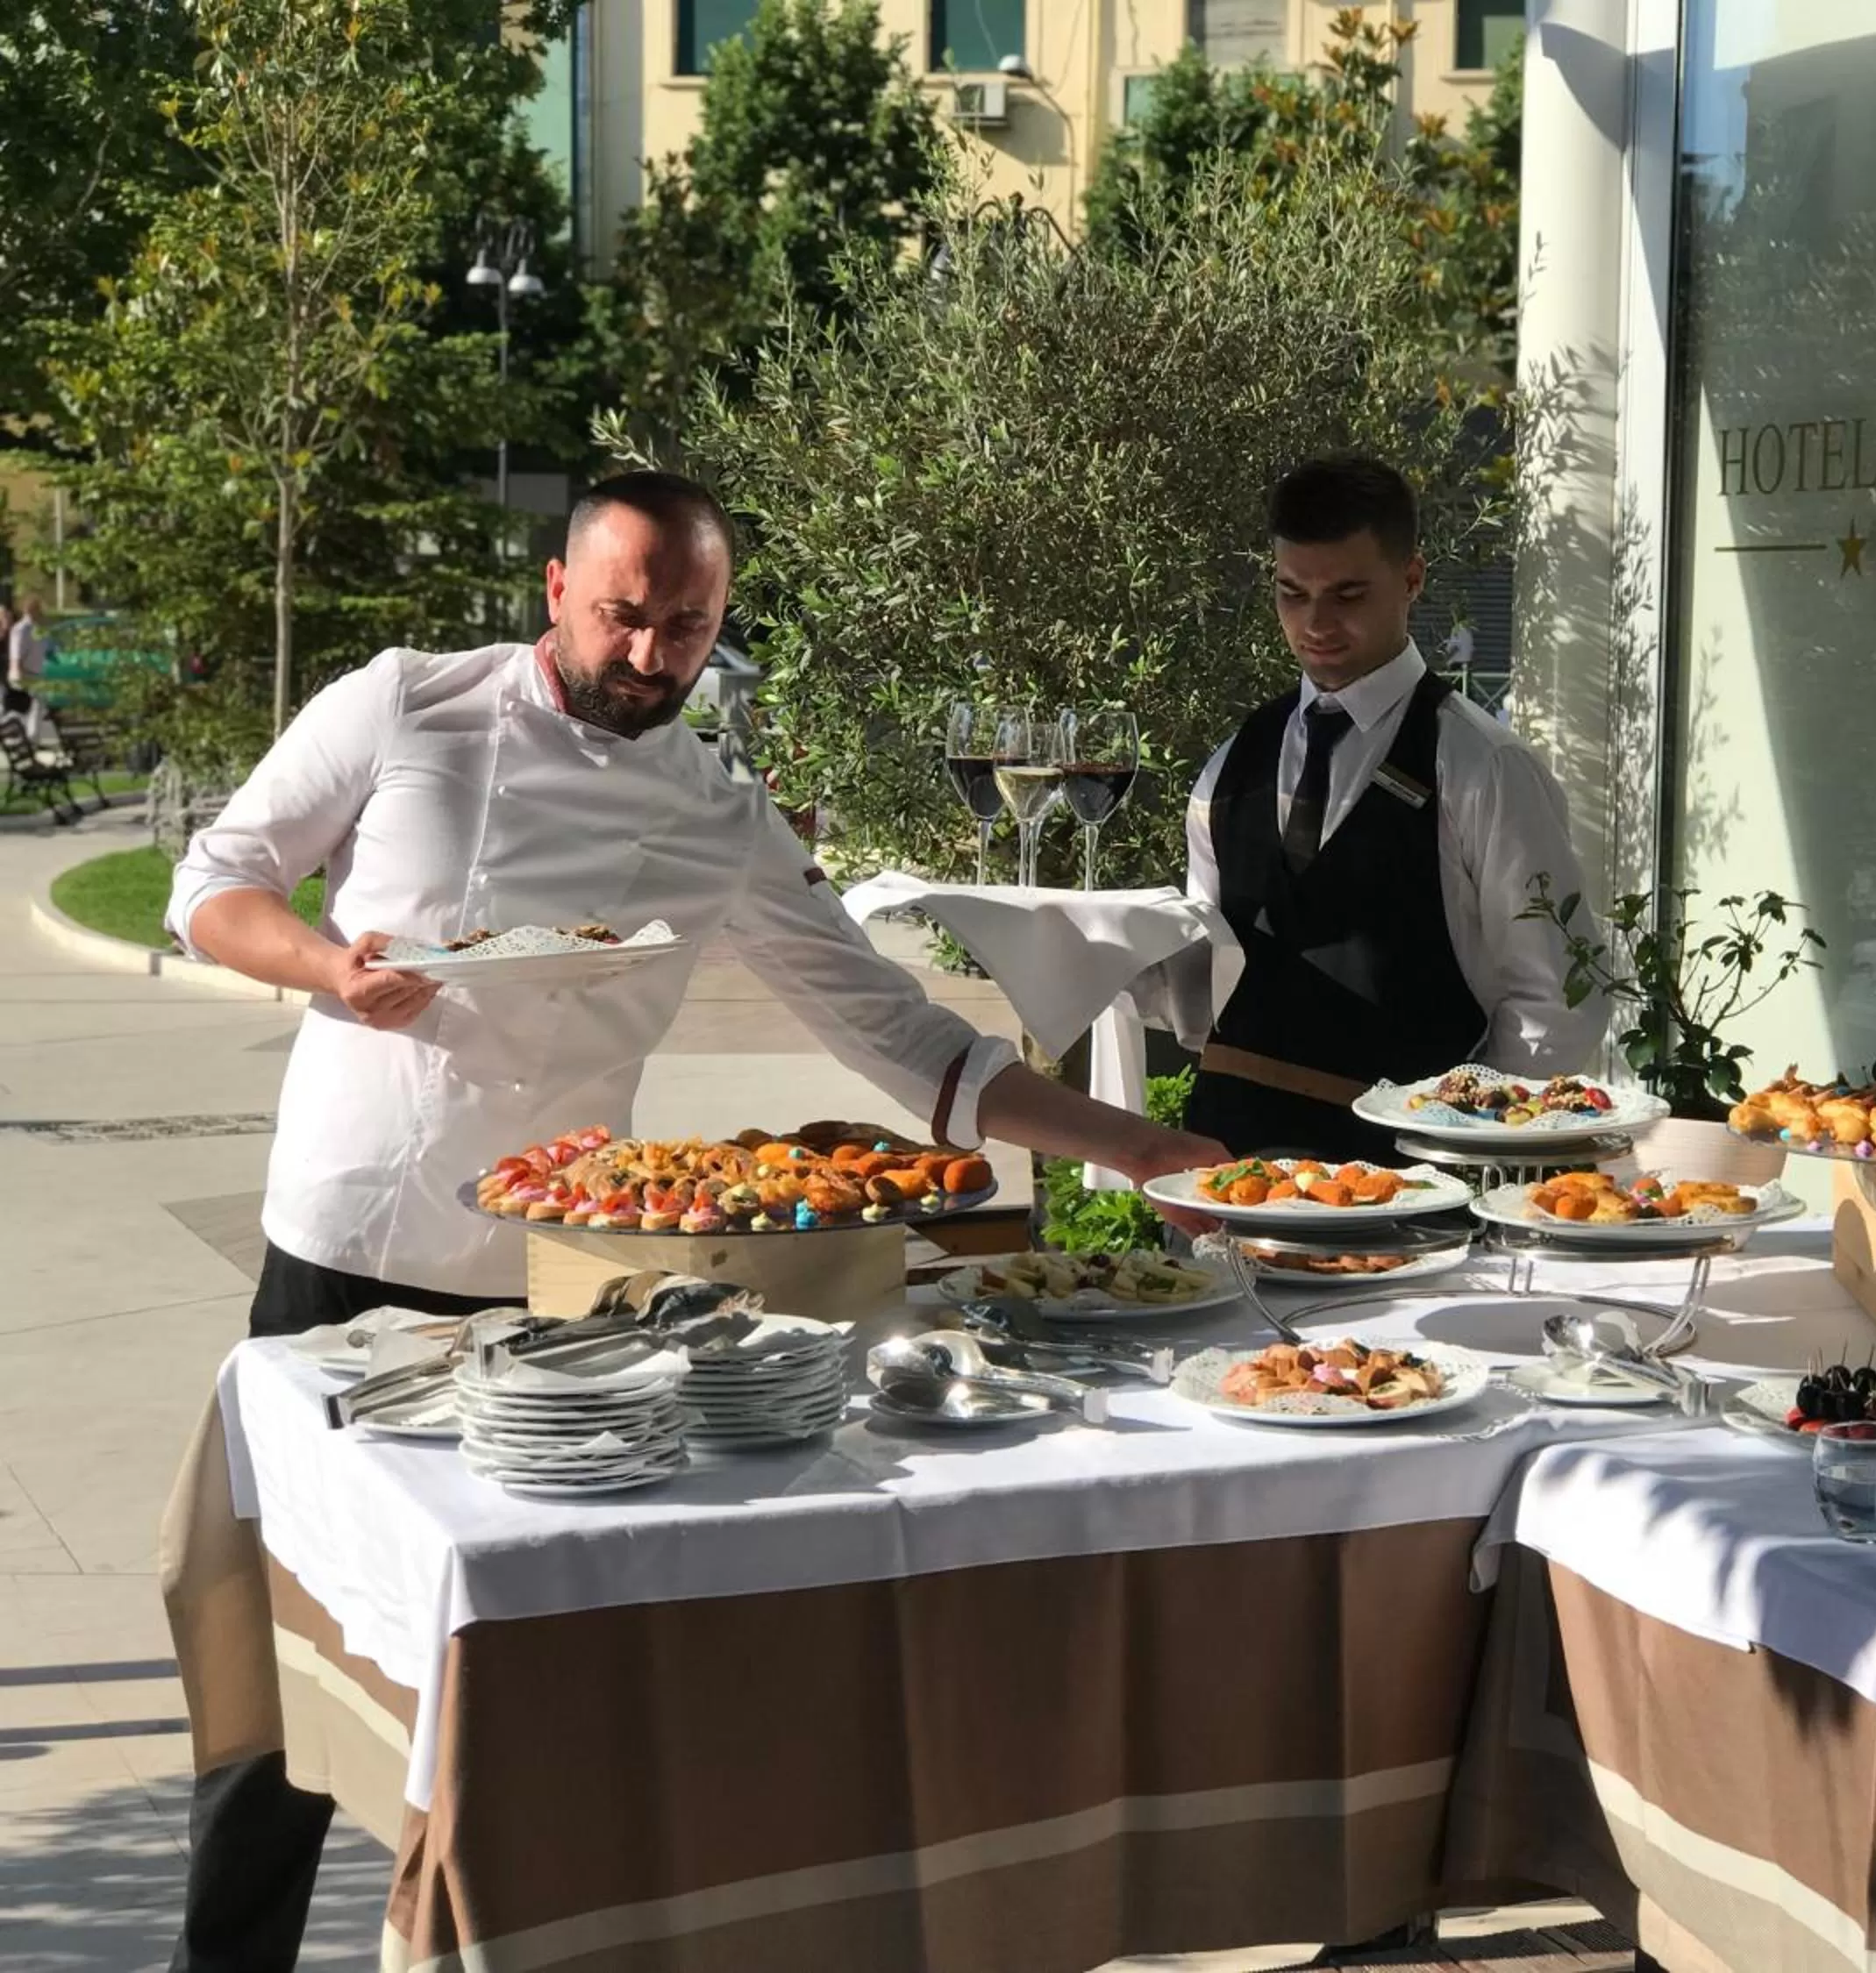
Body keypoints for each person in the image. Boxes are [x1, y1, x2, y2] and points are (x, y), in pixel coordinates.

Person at [163, 471, 1227, 1973]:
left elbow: (903, 1038)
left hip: (567, 1279)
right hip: (350, 1238)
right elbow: (215, 882)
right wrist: (332, 971)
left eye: (689, 627)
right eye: (624, 617)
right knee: (288, 1675)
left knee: (539, 1676)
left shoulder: (717, 814)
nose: (652, 657)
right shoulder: (408, 704)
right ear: (554, 591)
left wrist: (1150, 1149)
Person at [1186, 454, 1607, 1160]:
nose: (1316, 623)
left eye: (1348, 595)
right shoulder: (1233, 763)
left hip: (1406, 1190)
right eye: (1293, 593)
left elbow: (1558, 997)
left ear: (1412, 578)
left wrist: (1466, 1151)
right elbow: (1206, 980)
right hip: (1227, 1175)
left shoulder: (1484, 767)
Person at [5, 595, 47, 726]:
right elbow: (17, 653)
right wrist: (19, 672)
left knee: (33, 707)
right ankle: (30, 737)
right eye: (38, 609)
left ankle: (27, 736)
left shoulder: (36, 629)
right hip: (25, 673)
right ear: (30, 610)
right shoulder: (22, 629)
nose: (41, 612)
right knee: (33, 705)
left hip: (33, 674)